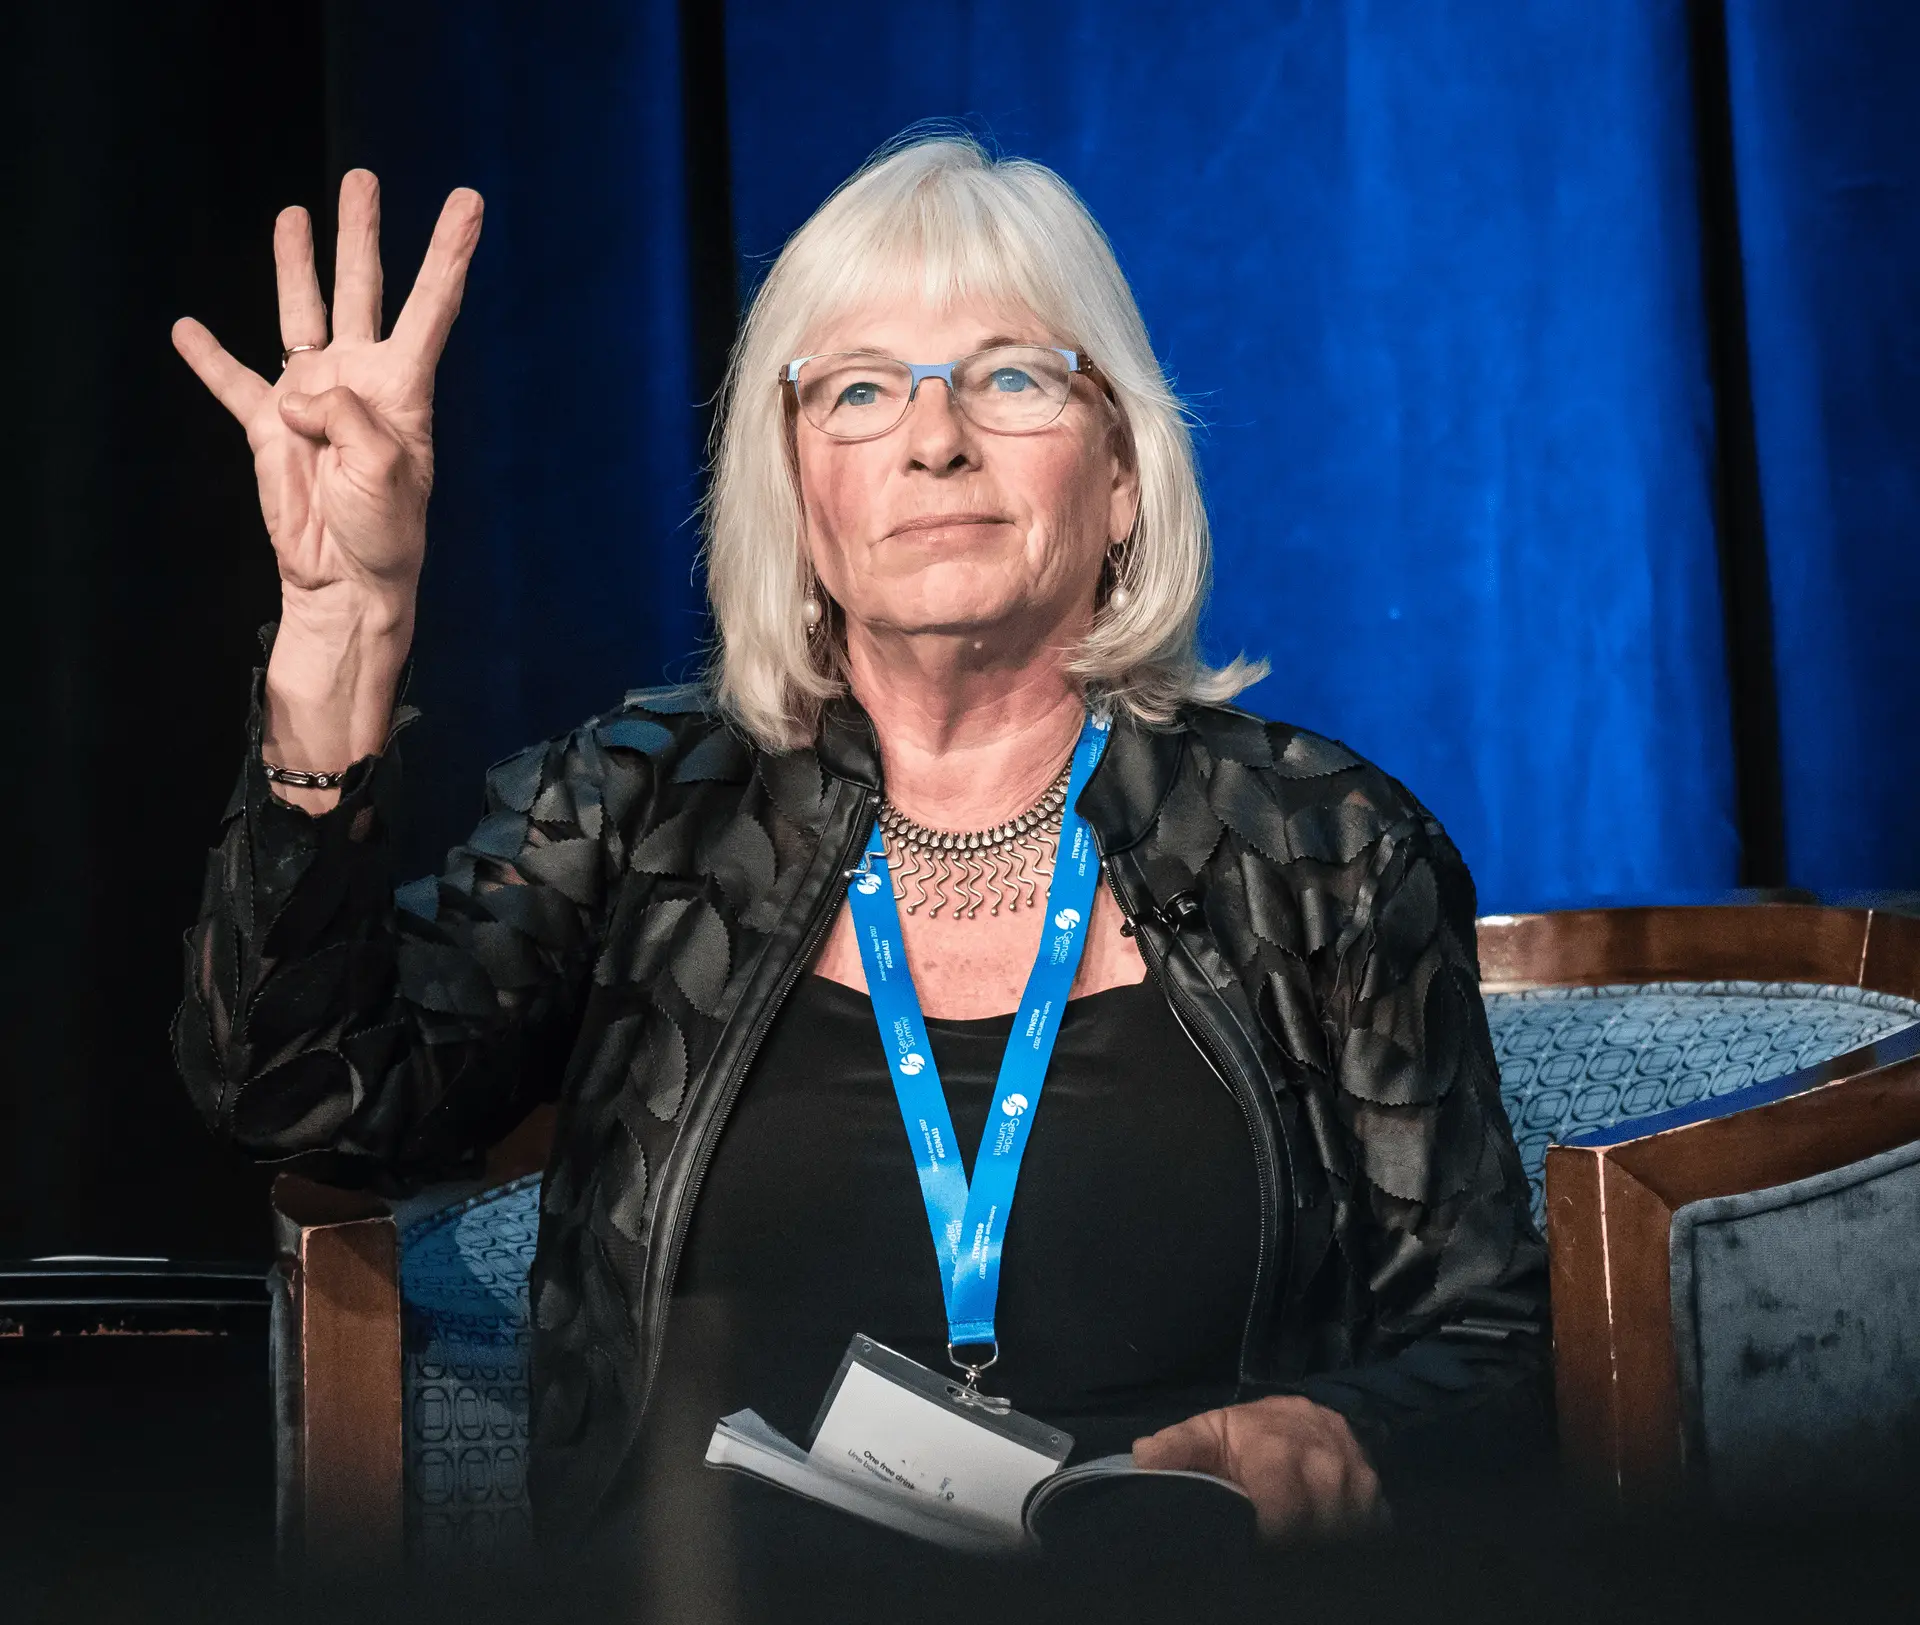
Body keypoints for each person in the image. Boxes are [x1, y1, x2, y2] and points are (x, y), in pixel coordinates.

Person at [172, 135, 1547, 1547]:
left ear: (1124, 474)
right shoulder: (643, 811)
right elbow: (298, 1092)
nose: (934, 438)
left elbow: (1491, 1347)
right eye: (860, 390)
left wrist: (1341, 1436)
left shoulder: (1326, 852)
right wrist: (345, 627)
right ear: (795, 496)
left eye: (1011, 378)